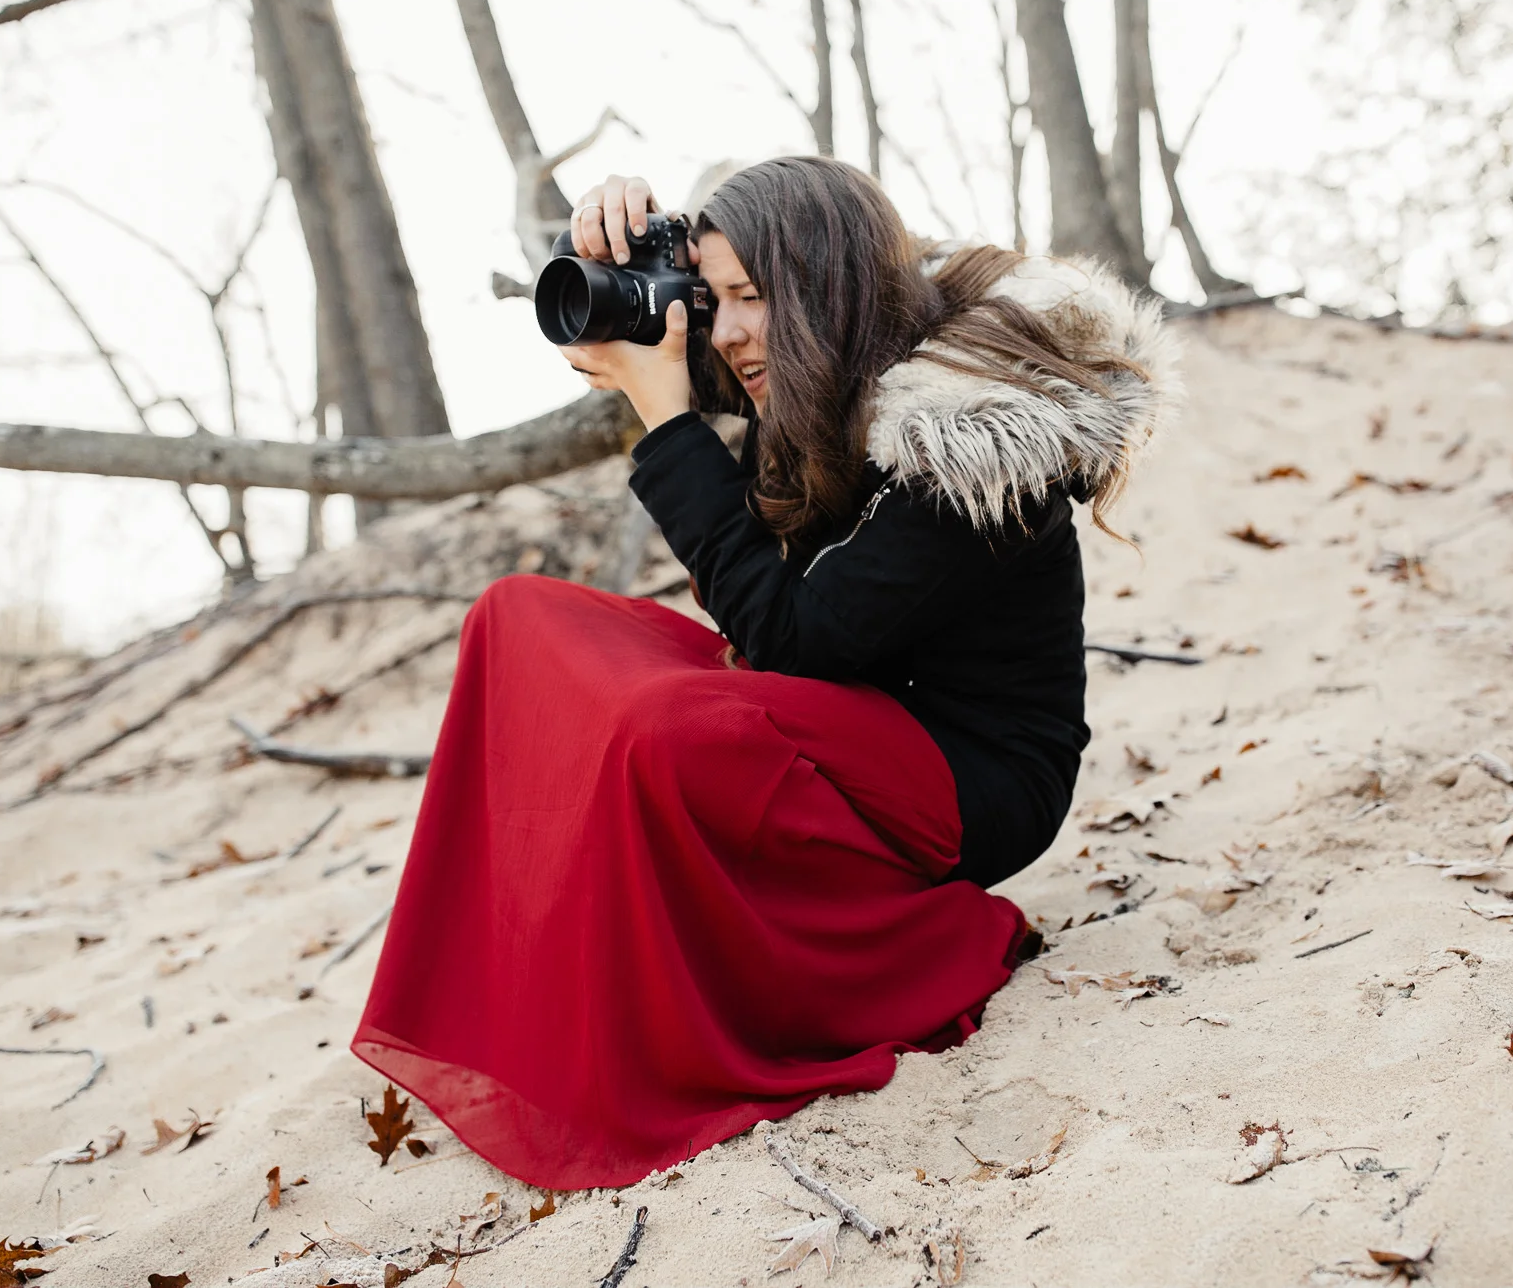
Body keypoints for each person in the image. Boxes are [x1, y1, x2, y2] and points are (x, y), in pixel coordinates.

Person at [353, 157, 1179, 1189]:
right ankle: (498, 988)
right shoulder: (816, 352)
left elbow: (795, 639)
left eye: (753, 298)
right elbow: (623, 343)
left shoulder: (972, 433)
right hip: (848, 703)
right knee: (517, 617)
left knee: (666, 732)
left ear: (824, 290)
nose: (729, 329)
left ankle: (944, 940)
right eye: (717, 297)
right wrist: (605, 247)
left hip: (970, 772)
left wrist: (665, 423)